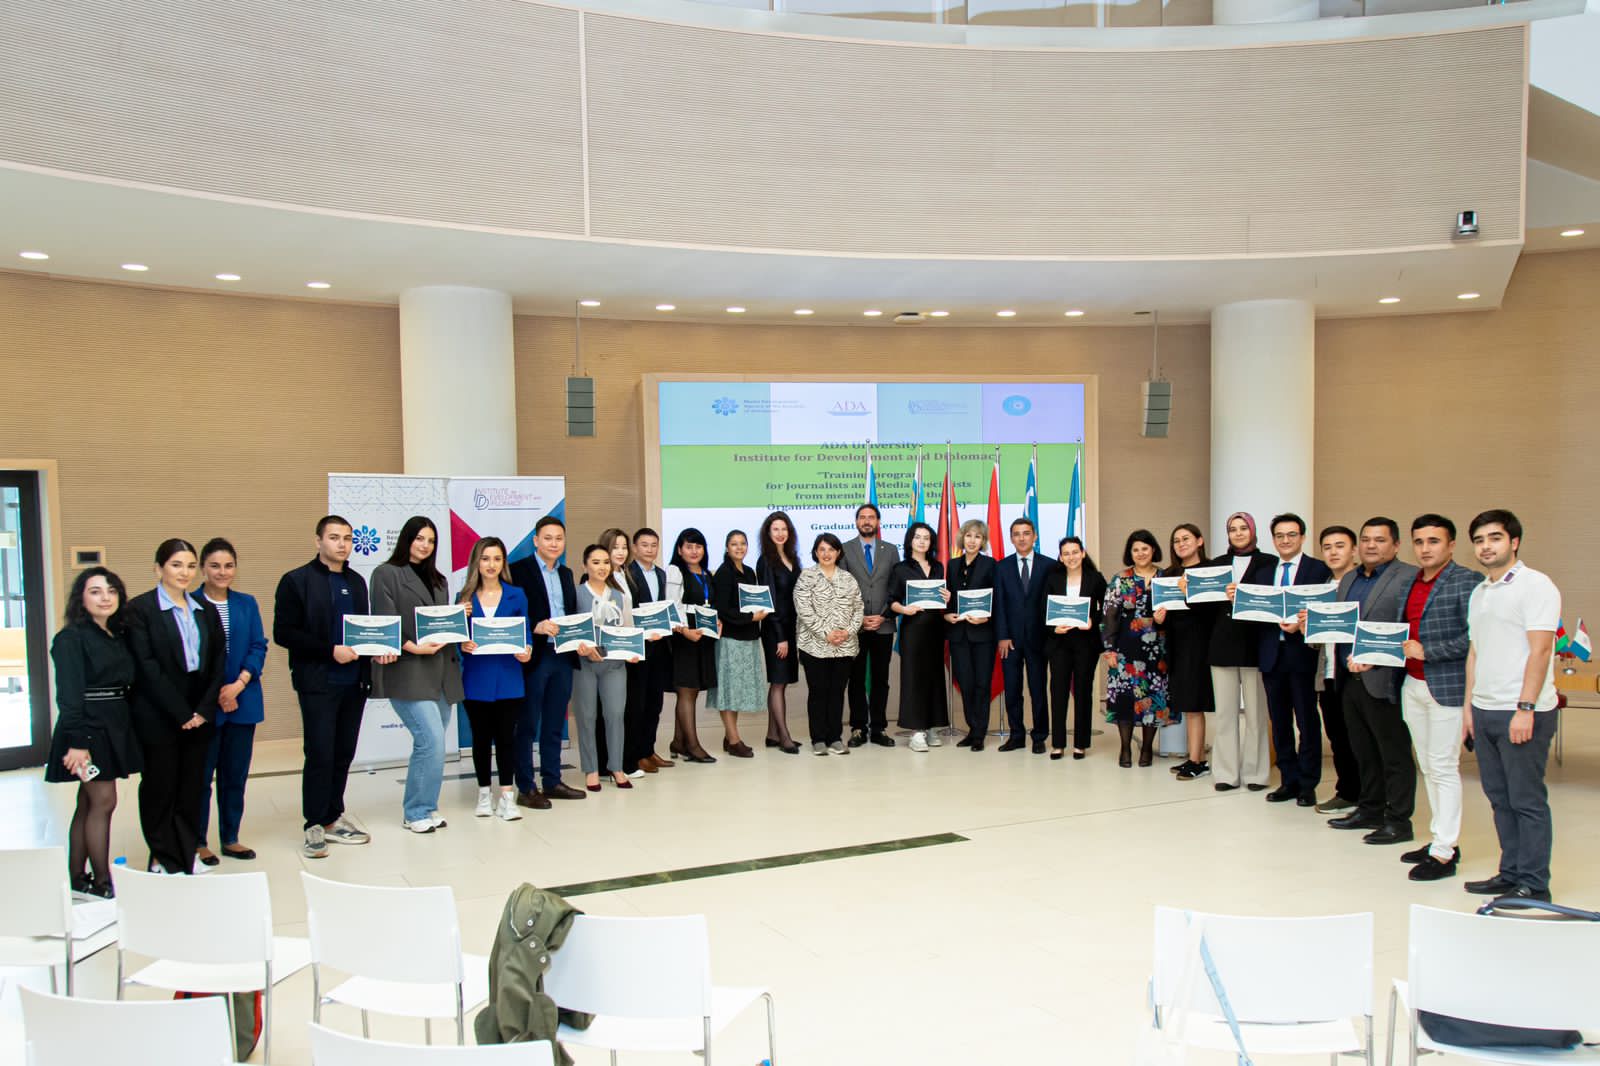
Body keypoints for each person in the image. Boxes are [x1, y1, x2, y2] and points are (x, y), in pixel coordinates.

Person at [1462, 509, 1561, 901]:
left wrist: (1525, 708)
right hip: (1485, 709)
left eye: (1495, 538)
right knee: (1500, 799)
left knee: (1526, 800)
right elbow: (1475, 652)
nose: (1486, 546)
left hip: (1521, 710)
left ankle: (1534, 884)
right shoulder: (1481, 592)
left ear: (1514, 542)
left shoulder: (1536, 586)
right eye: (1479, 540)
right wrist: (1469, 708)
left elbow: (1541, 651)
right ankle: (1510, 873)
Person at [274, 516, 384, 858]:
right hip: (318, 682)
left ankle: (333, 816)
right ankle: (314, 824)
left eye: (347, 538)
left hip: (354, 683)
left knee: (343, 753)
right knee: (320, 753)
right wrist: (329, 650)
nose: (342, 544)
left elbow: (363, 629)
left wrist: (377, 649)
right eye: (334, 537)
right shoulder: (296, 581)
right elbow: (284, 633)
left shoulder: (357, 581)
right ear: (318, 541)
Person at [125, 539, 225, 874]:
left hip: (199, 711)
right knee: (160, 786)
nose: (185, 572)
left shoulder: (204, 609)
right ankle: (161, 856)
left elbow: (217, 662)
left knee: (191, 788)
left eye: (190, 566)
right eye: (176, 565)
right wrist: (181, 713)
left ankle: (185, 854)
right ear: (159, 568)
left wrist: (203, 710)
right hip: (159, 712)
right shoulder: (140, 610)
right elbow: (146, 667)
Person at [1393, 513, 1483, 881]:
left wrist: (1427, 651)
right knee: (1429, 766)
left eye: (1433, 541)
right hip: (1412, 685)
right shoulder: (1410, 583)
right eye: (1419, 541)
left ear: (1451, 545)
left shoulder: (1468, 581)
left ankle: (1445, 852)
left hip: (1447, 687)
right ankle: (1438, 838)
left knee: (1444, 767)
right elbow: (1399, 633)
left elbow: (1474, 638)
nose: (1425, 548)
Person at [1326, 517, 1420, 845]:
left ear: (1396, 545)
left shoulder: (1408, 577)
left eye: (1379, 540)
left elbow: (1410, 627)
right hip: (1349, 678)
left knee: (1393, 753)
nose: (1371, 545)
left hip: (1385, 678)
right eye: (1366, 539)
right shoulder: (1350, 578)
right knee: (1363, 750)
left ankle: (1399, 820)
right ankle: (1370, 809)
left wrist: (1377, 658)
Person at [46, 567, 137, 898]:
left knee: (87, 803)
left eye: (111, 591)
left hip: (111, 725)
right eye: (95, 591)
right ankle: (101, 881)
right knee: (104, 801)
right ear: (81, 599)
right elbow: (69, 696)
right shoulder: (71, 638)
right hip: (87, 730)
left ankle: (76, 877)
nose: (105, 597)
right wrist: (78, 743)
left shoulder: (115, 634)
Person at [371, 516, 464, 833]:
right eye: (419, 538)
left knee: (432, 744)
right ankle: (415, 811)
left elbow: (442, 624)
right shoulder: (386, 574)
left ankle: (427, 805)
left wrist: (457, 620)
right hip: (409, 669)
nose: (425, 545)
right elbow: (384, 622)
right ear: (407, 539)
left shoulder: (439, 580)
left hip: (442, 671)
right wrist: (414, 647)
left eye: (431, 540)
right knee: (431, 741)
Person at [194, 539, 267, 864]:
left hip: (243, 699)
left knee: (234, 776)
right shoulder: (190, 603)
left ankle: (231, 838)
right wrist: (219, 694)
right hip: (205, 706)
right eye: (214, 566)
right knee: (200, 778)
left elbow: (258, 645)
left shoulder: (246, 603)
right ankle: (198, 840)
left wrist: (237, 685)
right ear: (202, 568)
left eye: (228, 565)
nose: (222, 572)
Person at [508, 516, 587, 806]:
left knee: (555, 723)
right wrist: (535, 627)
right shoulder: (519, 570)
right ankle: (526, 787)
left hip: (563, 655)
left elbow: (570, 612)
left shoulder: (566, 573)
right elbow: (511, 615)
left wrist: (580, 638)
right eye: (548, 538)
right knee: (527, 724)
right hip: (535, 656)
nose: (554, 543)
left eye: (559, 538)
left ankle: (552, 781)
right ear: (536, 540)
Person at [1258, 513, 1333, 807]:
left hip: (1303, 654)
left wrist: (1303, 624)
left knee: (1307, 721)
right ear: (1273, 539)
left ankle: (1307, 783)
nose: (1285, 540)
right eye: (1279, 535)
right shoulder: (1264, 572)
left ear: (1302, 537)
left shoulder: (1319, 569)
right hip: (1272, 655)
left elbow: (1326, 608)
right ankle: (1288, 780)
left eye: (1291, 535)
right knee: (1279, 722)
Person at [458, 536, 531, 821]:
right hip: (476, 678)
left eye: (497, 559)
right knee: (480, 739)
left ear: (503, 563)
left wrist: (527, 650)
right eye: (485, 558)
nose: (491, 564)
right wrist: (462, 643)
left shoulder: (517, 594)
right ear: (476, 562)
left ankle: (506, 798)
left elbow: (525, 632)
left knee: (506, 739)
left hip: (509, 678)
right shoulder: (463, 597)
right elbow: (454, 636)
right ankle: (483, 794)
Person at [1207, 512, 1275, 792]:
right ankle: (1225, 773)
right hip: (1222, 644)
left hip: (1255, 644)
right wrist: (1189, 589)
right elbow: (1204, 605)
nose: (1238, 533)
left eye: (1243, 528)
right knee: (1225, 714)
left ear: (1253, 531)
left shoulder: (1270, 563)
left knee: (1257, 714)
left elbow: (1272, 600)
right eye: (1232, 529)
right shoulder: (1216, 565)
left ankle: (1256, 773)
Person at [1100, 530, 1172, 768]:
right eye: (1136, 549)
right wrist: (1109, 649)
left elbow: (1178, 613)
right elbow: (1109, 616)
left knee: (1153, 698)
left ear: (1153, 550)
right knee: (1125, 698)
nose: (1141, 553)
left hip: (1158, 651)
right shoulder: (1120, 579)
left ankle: (1147, 748)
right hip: (1125, 650)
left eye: (1145, 548)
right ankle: (1125, 748)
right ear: (1130, 553)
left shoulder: (1166, 578)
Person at [571, 543, 636, 790]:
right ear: (585, 565)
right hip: (584, 664)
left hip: (614, 665)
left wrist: (632, 651)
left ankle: (616, 767)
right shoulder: (576, 594)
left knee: (616, 714)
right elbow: (570, 629)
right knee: (587, 716)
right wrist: (581, 646)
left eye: (606, 562)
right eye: (596, 562)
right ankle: (591, 769)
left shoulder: (620, 596)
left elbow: (628, 629)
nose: (602, 567)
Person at [1157, 524, 1218, 780]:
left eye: (1186, 538)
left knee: (1194, 704)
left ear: (1199, 541)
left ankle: (1197, 761)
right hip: (1176, 645)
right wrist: (1159, 619)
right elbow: (1165, 611)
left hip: (1199, 644)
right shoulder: (1169, 574)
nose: (1181, 544)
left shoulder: (1210, 571)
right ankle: (1197, 757)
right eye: (1176, 540)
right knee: (1186, 702)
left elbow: (1213, 610)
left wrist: (1190, 592)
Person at [794, 533, 864, 755]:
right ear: (815, 552)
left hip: (844, 646)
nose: (826, 554)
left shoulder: (848, 579)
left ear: (838, 552)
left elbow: (858, 608)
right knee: (818, 693)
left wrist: (848, 632)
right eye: (822, 549)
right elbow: (803, 609)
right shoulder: (806, 577)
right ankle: (818, 739)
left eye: (831, 549)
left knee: (837, 693)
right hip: (814, 646)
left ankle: (835, 738)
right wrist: (826, 633)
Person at [1311, 526, 1362, 813]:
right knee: (1338, 737)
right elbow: (1316, 640)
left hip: (1356, 674)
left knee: (1360, 739)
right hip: (1327, 673)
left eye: (1340, 546)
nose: (1333, 552)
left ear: (1354, 550)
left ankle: (1371, 797)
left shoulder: (1363, 584)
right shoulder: (1322, 587)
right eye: (1327, 547)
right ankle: (1348, 792)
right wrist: (1307, 628)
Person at [994, 517, 1055, 753]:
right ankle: (1016, 735)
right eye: (1017, 534)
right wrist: (1002, 635)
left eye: (1026, 533)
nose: (1022, 538)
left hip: (1039, 639)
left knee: (1038, 689)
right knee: (1012, 689)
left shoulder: (1049, 566)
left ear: (1035, 536)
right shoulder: (1002, 567)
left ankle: (1039, 736)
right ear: (1011, 538)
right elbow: (999, 604)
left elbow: (1052, 603)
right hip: (1010, 640)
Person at [839, 504, 898, 748]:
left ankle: (878, 728)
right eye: (862, 517)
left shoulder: (891, 550)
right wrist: (859, 618)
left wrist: (883, 615)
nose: (866, 521)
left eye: (871, 517)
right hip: (855, 627)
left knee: (880, 679)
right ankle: (858, 728)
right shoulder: (844, 549)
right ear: (856, 522)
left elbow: (895, 587)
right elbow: (841, 588)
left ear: (878, 522)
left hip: (883, 625)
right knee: (855, 679)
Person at [888, 521, 950, 753]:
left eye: (926, 538)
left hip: (935, 630)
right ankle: (916, 732)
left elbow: (942, 601)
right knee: (914, 679)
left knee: (934, 678)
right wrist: (904, 610)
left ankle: (932, 727)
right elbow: (891, 601)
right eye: (918, 537)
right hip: (913, 630)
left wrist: (947, 597)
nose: (922, 541)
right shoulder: (900, 569)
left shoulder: (938, 567)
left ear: (931, 542)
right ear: (910, 541)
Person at [1043, 536, 1106, 759]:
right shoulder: (1053, 578)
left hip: (1085, 643)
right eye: (1066, 553)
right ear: (1061, 557)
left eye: (1075, 552)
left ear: (1083, 553)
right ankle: (1058, 743)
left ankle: (1081, 743)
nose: (1071, 557)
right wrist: (1053, 628)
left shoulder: (1095, 578)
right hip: (1059, 643)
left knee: (1083, 692)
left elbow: (1107, 608)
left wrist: (1093, 621)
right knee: (1058, 691)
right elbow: (1043, 609)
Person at [708, 530, 769, 757]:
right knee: (728, 691)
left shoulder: (750, 571)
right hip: (730, 640)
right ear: (727, 547)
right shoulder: (724, 573)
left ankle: (729, 736)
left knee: (737, 691)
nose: (739, 547)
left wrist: (760, 612)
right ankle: (734, 740)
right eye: (734, 544)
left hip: (748, 638)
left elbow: (754, 601)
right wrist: (751, 617)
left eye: (743, 543)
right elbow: (722, 610)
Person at [664, 527, 718, 763]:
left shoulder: (706, 573)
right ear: (679, 550)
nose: (694, 551)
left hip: (703, 636)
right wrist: (685, 631)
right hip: (684, 637)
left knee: (693, 690)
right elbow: (672, 606)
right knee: (686, 689)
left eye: (698, 546)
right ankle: (693, 746)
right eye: (689, 546)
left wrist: (717, 621)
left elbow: (710, 604)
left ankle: (678, 742)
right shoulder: (676, 571)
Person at [945, 520, 998, 752]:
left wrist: (987, 617)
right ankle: (972, 728)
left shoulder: (990, 564)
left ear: (983, 541)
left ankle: (979, 733)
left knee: (981, 684)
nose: (972, 540)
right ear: (962, 538)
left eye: (978, 536)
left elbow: (997, 598)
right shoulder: (952, 564)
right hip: (959, 635)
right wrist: (947, 615)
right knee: (965, 684)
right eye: (969, 535)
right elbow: (949, 598)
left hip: (983, 635)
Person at [626, 527, 675, 772]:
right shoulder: (627, 574)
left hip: (660, 646)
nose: (649, 549)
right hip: (639, 646)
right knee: (638, 703)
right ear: (635, 548)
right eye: (644, 545)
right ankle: (636, 754)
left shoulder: (662, 574)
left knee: (655, 703)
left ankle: (649, 749)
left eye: (654, 545)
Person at [756, 512, 802, 754]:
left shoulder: (792, 557)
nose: (780, 533)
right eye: (775, 529)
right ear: (768, 532)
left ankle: (772, 735)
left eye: (784, 529)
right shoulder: (766, 560)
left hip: (791, 627)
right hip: (776, 630)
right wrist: (781, 637)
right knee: (778, 681)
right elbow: (769, 602)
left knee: (780, 682)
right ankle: (784, 736)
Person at [598, 528, 638, 775]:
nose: (621, 552)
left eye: (624, 547)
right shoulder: (599, 578)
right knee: (606, 712)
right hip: (607, 653)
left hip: (627, 650)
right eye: (615, 547)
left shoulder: (625, 574)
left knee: (623, 710)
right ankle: (606, 765)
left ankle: (621, 762)